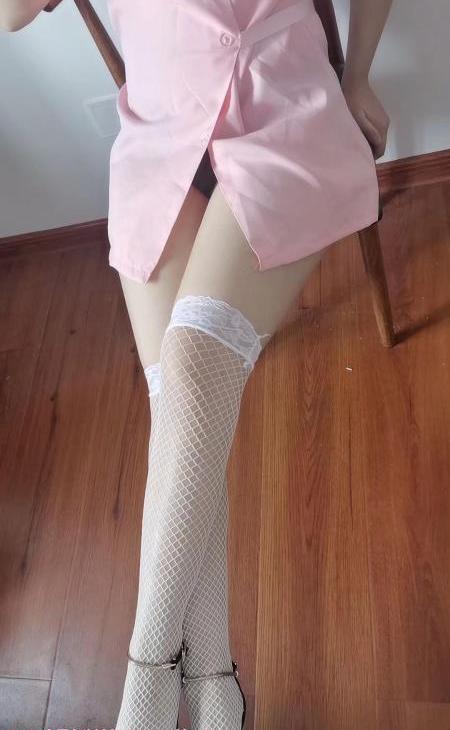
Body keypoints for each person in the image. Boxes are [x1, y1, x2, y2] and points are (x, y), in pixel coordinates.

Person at [1, 0, 392, 728]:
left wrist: (359, 72)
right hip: (162, 129)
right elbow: (12, 16)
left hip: (284, 102)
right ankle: (214, 679)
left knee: (190, 377)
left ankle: (144, 685)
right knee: (185, 411)